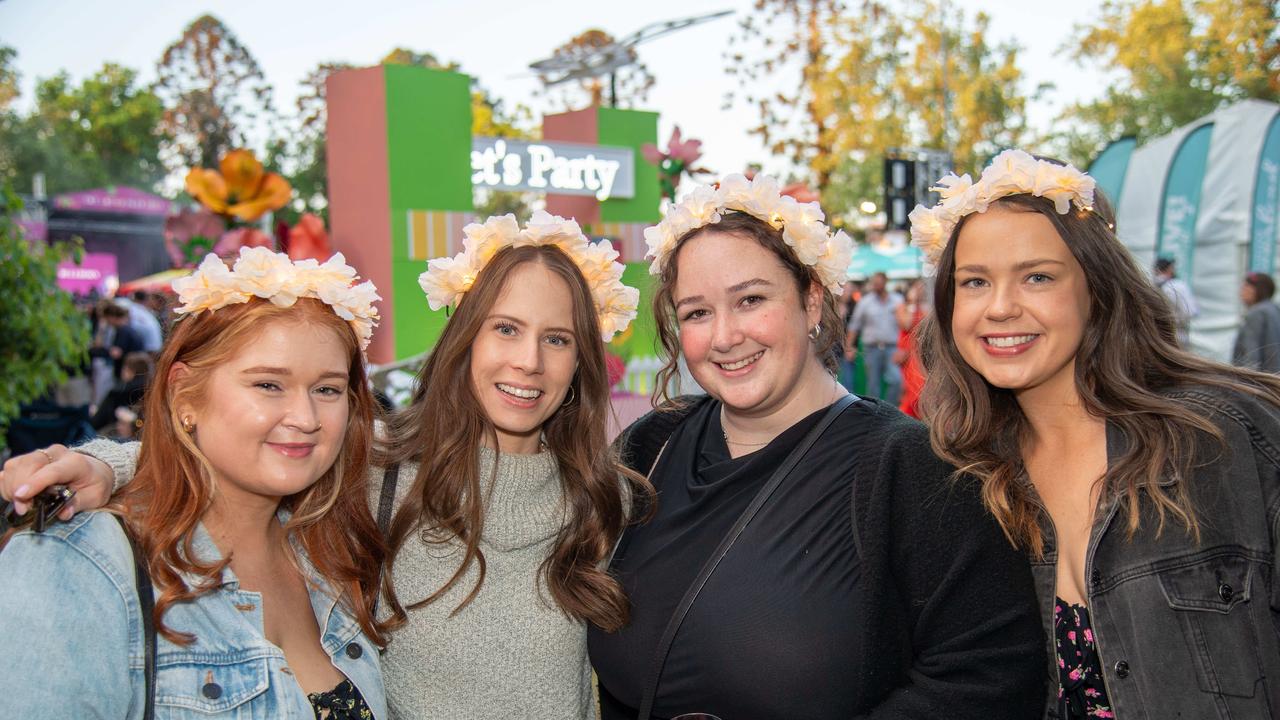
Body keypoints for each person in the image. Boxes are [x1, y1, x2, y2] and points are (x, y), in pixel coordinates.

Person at [2, 212, 648, 720]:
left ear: (582, 361)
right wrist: (106, 463)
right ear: (464, 339)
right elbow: (242, 450)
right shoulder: (381, 473)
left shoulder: (608, 499)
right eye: (505, 328)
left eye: (557, 338)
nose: (529, 360)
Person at [592, 174, 1045, 719]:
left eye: (751, 299)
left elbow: (988, 674)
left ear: (811, 300)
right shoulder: (652, 446)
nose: (725, 336)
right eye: (697, 312)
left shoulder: (913, 470)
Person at [912, 148, 1280, 719]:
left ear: (1097, 289)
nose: (1001, 308)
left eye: (1037, 276)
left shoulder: (1225, 437)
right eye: (975, 281)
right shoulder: (968, 477)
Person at [0, 247, 390, 718]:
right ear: (185, 394)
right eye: (268, 384)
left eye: (326, 389)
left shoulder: (331, 553)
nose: (306, 418)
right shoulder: (82, 562)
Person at [846, 271, 904, 403]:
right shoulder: (865, 302)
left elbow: (904, 326)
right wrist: (849, 346)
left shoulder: (896, 300)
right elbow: (855, 326)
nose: (876, 286)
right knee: (873, 385)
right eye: (874, 283)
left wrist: (903, 348)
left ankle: (890, 410)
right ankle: (877, 416)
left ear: (885, 283)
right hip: (871, 348)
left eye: (879, 283)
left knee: (896, 380)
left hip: (891, 348)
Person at [1232, 271, 1280, 372]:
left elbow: (1251, 355)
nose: (1241, 292)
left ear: (1257, 290)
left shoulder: (1257, 313)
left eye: (1246, 287)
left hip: (1260, 381)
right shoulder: (1274, 309)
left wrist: (1248, 381)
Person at [894, 277, 928, 418]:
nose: (920, 291)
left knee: (922, 389)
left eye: (922, 288)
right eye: (917, 288)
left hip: (919, 354)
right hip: (906, 355)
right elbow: (907, 324)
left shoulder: (925, 309)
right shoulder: (902, 307)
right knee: (910, 390)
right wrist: (912, 303)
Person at [1153, 257, 1198, 347]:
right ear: (1170, 269)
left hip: (1155, 336)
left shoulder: (1150, 286)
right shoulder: (1178, 286)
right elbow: (1190, 312)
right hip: (1178, 334)